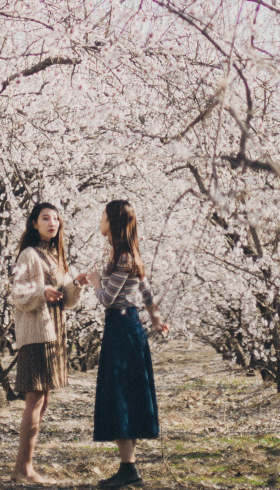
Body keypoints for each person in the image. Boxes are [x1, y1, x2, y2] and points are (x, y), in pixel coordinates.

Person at [82, 200, 169, 490]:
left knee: (120, 392)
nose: (100, 218)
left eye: (104, 214)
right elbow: (145, 290)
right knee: (127, 392)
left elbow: (107, 299)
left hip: (121, 327)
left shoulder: (123, 258)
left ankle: (129, 469)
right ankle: (128, 466)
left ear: (114, 222)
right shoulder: (125, 255)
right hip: (127, 326)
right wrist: (156, 320)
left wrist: (95, 282)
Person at [9, 202, 81, 485]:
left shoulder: (57, 256)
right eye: (45, 218)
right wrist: (42, 291)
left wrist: (77, 283)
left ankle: (25, 465)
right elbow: (17, 293)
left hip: (54, 334)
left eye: (56, 218)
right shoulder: (29, 255)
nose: (52, 223)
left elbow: (68, 301)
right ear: (34, 223)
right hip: (36, 334)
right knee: (35, 399)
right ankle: (22, 469)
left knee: (44, 399)